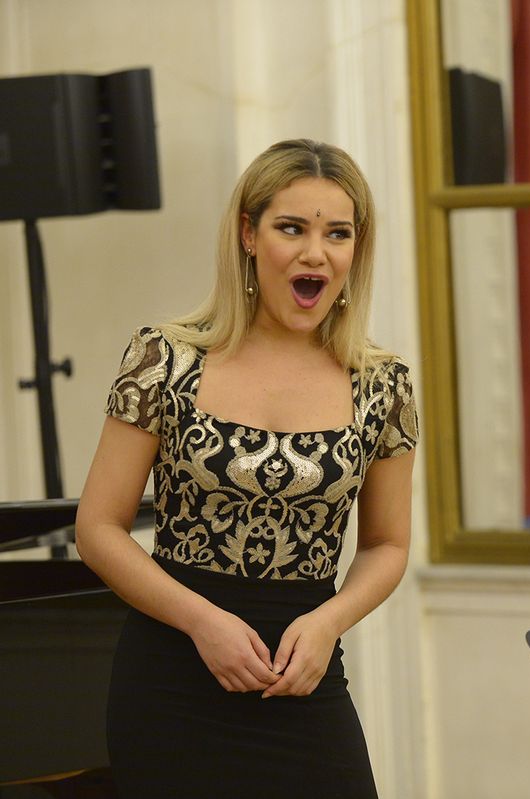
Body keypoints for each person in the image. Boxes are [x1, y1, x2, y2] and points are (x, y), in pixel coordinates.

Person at [75, 139, 418, 798]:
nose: (316, 252)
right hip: (170, 688)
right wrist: (203, 621)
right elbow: (98, 528)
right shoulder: (163, 358)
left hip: (306, 683)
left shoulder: (384, 384)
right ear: (248, 234)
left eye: (337, 233)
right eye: (292, 228)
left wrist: (329, 622)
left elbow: (386, 544)